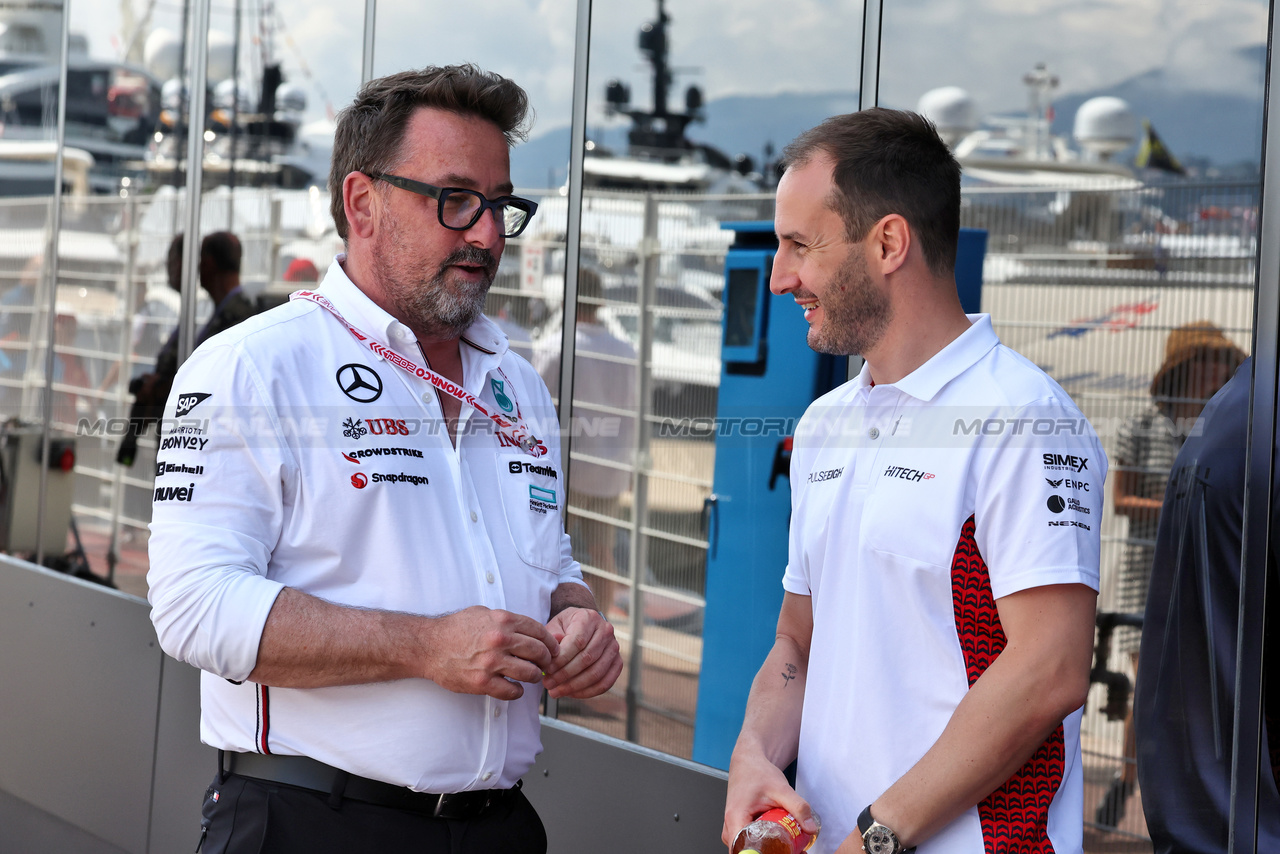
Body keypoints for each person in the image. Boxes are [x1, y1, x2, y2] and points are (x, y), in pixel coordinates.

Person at [147, 65, 622, 853]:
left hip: (499, 827)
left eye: (502, 205)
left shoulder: (520, 386)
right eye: (456, 200)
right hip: (308, 823)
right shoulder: (251, 367)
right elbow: (193, 607)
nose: (488, 234)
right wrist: (424, 645)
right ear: (361, 204)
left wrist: (578, 613)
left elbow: (549, 559)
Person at [722, 109, 1105, 854]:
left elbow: (1051, 668)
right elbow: (797, 639)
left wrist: (878, 838)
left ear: (889, 242)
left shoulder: (1023, 417)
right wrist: (754, 753)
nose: (779, 278)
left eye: (801, 245)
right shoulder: (827, 423)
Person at [1098, 320, 1245, 826]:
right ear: (1185, 367)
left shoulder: (1227, 422)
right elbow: (1120, 501)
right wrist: (1182, 506)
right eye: (1210, 358)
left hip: (1206, 569)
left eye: (1224, 359)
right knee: (1150, 686)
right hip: (1149, 570)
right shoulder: (1140, 427)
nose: (1222, 368)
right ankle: (1127, 780)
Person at [1134, 357, 1280, 852]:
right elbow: (1123, 494)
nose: (1211, 368)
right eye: (1204, 361)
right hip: (1150, 559)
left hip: (1217, 813)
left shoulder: (1228, 412)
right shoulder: (1229, 419)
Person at [533, 268, 637, 618]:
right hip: (611, 470)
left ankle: (549, 625)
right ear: (601, 300)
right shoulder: (625, 350)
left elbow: (530, 406)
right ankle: (602, 622)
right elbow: (636, 413)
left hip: (567, 470)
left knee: (549, 553)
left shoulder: (556, 346)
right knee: (603, 554)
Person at [115, 232, 258, 466]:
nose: (196, 269)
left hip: (208, 448)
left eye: (198, 261)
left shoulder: (236, 316)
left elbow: (209, 382)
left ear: (209, 264)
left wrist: (161, 388)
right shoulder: (221, 313)